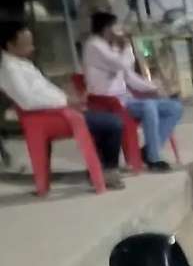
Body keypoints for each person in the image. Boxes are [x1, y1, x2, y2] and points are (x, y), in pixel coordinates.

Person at [0, 21, 126, 189]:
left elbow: (46, 89)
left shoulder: (22, 64)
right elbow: (27, 101)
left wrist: (68, 100)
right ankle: (107, 170)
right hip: (47, 118)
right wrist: (65, 102)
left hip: (56, 112)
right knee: (113, 123)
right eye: (27, 43)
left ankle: (100, 169)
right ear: (10, 45)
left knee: (104, 122)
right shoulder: (10, 69)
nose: (32, 47)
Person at [83, 11, 183, 172]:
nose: (119, 30)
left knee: (174, 107)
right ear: (106, 29)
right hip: (106, 101)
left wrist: (155, 88)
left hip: (125, 98)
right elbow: (120, 64)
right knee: (148, 106)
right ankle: (154, 158)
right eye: (115, 27)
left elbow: (128, 75)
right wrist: (126, 46)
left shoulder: (113, 46)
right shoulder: (94, 45)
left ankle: (149, 150)